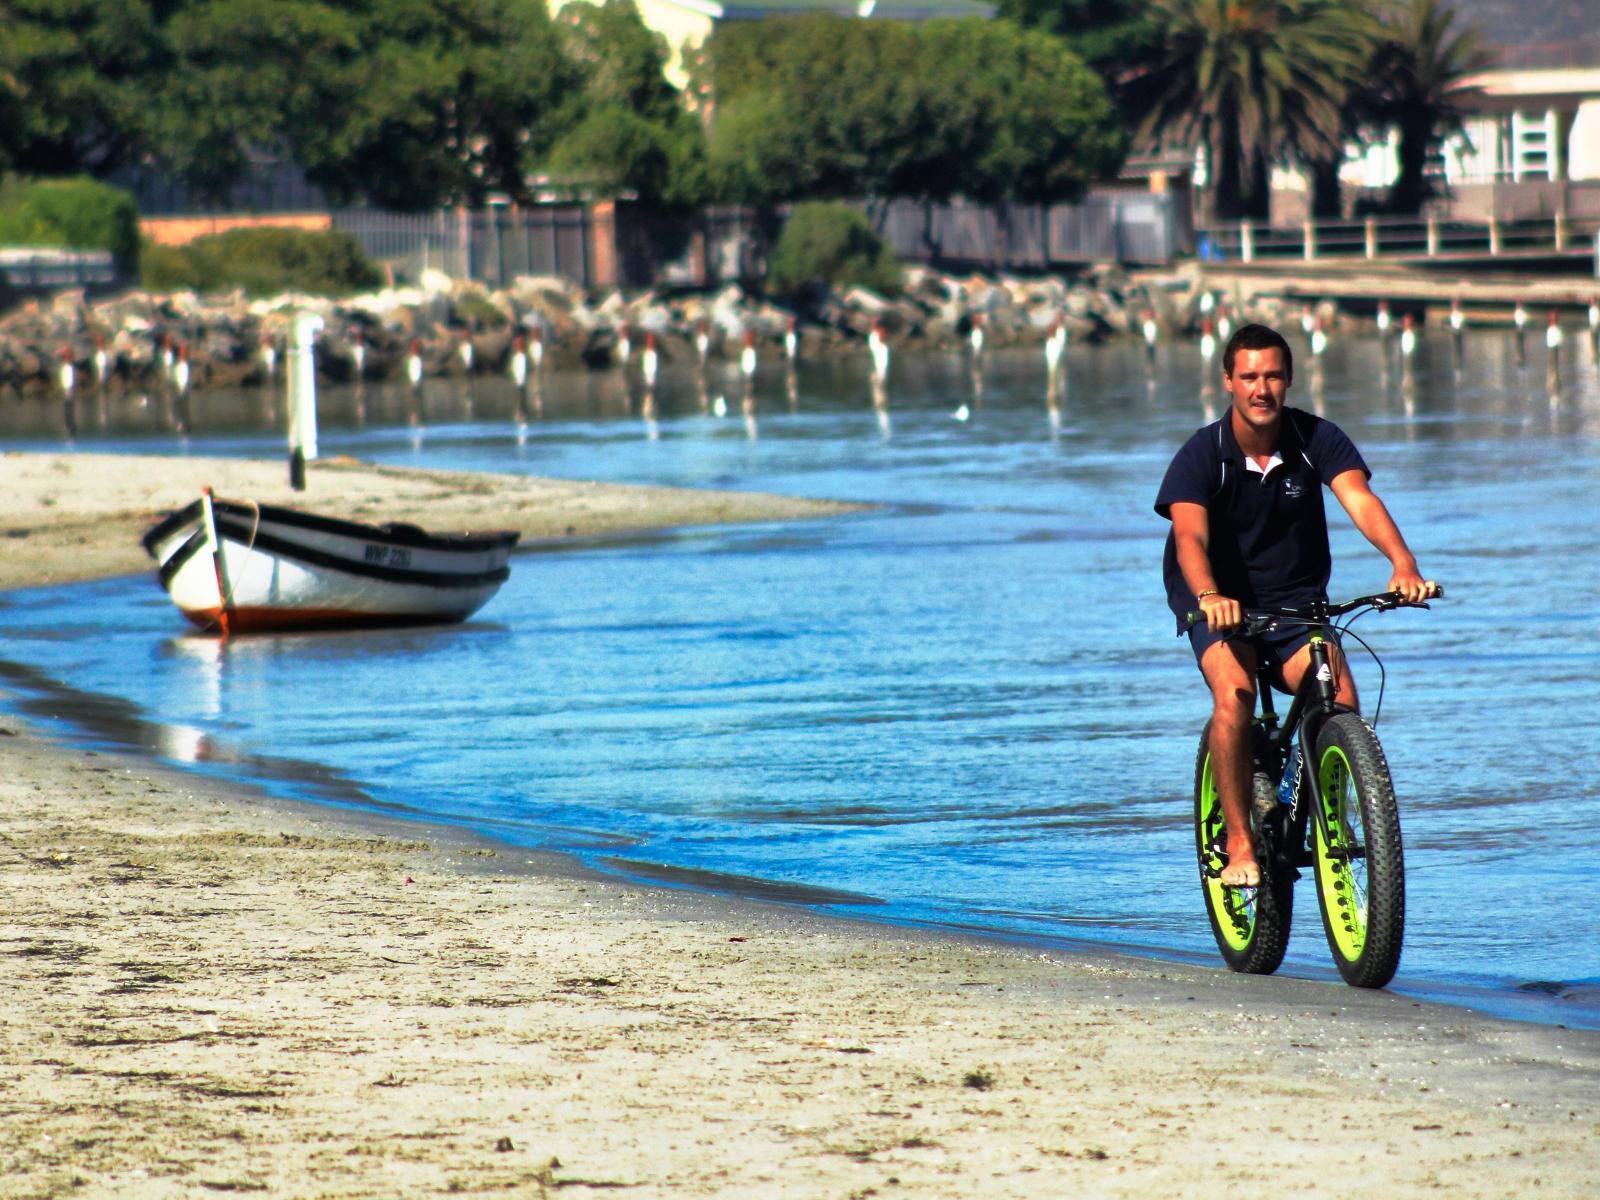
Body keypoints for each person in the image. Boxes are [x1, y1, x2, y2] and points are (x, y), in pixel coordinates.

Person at [1155, 323, 1437, 888]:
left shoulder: (1316, 439)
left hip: (1296, 602)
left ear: (1289, 380)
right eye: (1250, 377)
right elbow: (1189, 537)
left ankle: (1320, 814)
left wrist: (1403, 564)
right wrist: (1210, 596)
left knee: (1340, 699)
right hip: (1216, 600)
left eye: (1274, 376)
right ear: (1229, 382)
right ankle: (1239, 842)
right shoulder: (1202, 454)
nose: (1262, 389)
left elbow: (1359, 497)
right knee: (1234, 695)